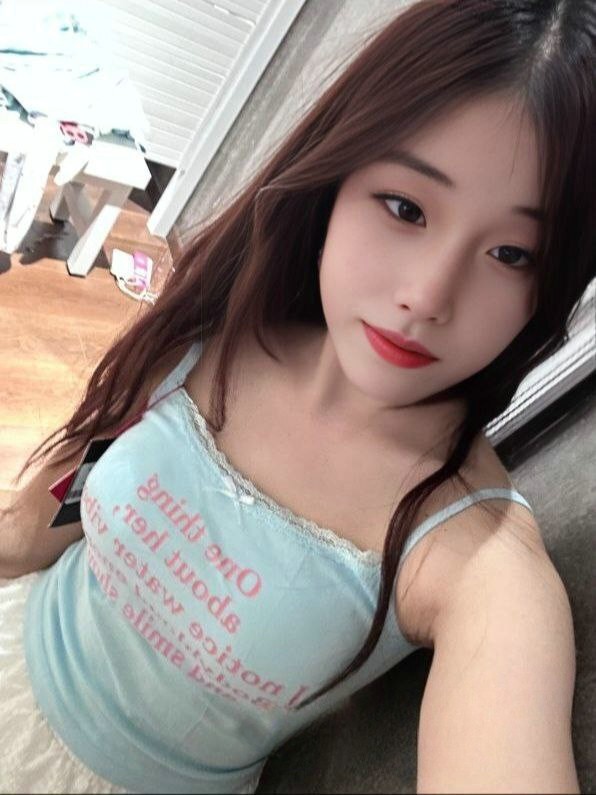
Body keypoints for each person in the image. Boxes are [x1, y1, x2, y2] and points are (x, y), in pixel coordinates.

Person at [0, 0, 593, 792]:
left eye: (512, 253)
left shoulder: (477, 557)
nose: (427, 295)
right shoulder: (211, 332)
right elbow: (44, 516)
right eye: (407, 207)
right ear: (338, 177)